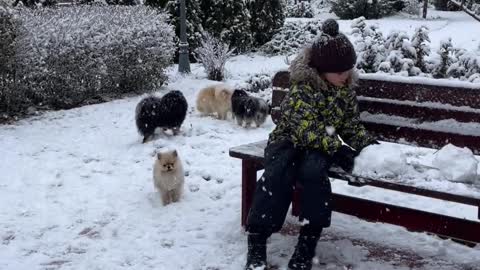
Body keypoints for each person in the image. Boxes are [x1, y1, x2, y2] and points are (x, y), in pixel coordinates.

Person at [245, 19, 378, 270]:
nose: (345, 75)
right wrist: (335, 146)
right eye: (339, 71)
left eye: (348, 69)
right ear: (321, 69)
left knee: (314, 173)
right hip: (288, 140)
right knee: (277, 173)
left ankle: (307, 244)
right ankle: (257, 242)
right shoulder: (303, 86)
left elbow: (350, 125)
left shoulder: (345, 90)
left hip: (318, 146)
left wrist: (367, 146)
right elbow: (304, 127)